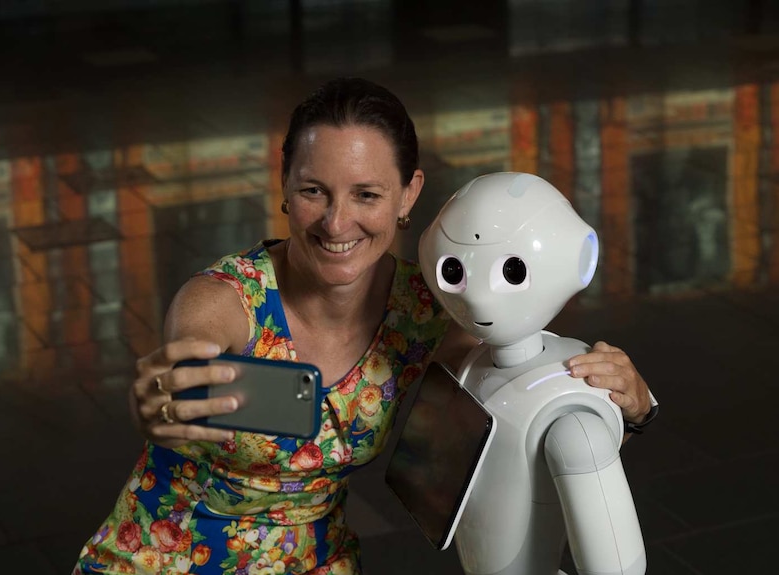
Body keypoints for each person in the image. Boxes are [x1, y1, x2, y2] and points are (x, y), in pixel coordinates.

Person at [73, 77, 655, 575]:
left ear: (408, 195)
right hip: (164, 559)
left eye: (367, 194)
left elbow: (510, 432)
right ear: (284, 188)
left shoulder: (425, 312)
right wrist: (161, 402)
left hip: (318, 560)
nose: (336, 221)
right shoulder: (224, 302)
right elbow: (180, 372)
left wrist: (625, 405)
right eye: (313, 191)